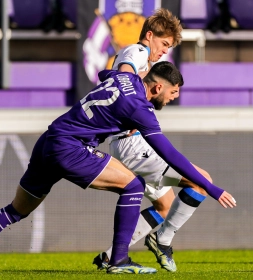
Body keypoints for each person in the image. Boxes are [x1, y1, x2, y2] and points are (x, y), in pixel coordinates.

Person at [0, 62, 235, 275]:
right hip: (71, 147)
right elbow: (170, 154)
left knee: (16, 210)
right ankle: (118, 260)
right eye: (172, 93)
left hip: (49, 139)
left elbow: (104, 73)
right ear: (158, 87)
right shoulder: (139, 108)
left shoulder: (125, 77)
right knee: (132, 185)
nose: (173, 98)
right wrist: (212, 187)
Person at [92, 9, 236, 273]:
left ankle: (111, 257)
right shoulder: (137, 53)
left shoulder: (142, 60)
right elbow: (124, 76)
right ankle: (163, 239)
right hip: (132, 143)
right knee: (201, 181)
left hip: (124, 141)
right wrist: (132, 104)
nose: (164, 51)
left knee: (165, 205)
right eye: (164, 44)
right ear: (150, 36)